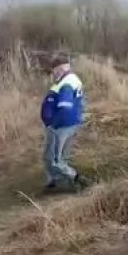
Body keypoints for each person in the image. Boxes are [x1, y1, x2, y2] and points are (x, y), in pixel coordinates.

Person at [40, 54, 88, 192]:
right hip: (69, 124)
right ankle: (54, 181)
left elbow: (65, 107)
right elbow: (80, 103)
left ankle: (76, 178)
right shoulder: (72, 79)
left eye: (54, 70)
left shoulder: (66, 84)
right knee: (57, 156)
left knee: (54, 158)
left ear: (59, 68)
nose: (53, 73)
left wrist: (53, 124)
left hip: (60, 127)